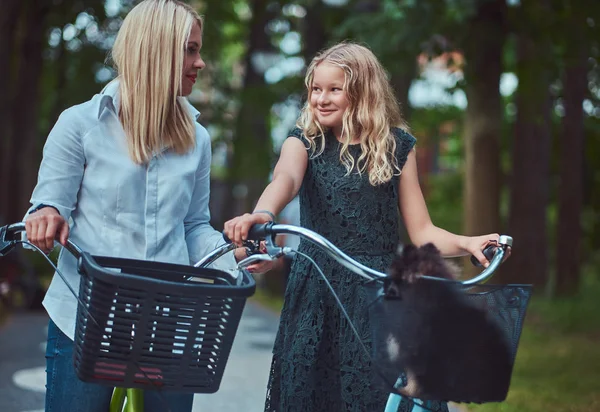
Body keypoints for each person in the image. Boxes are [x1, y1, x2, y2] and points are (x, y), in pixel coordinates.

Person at [224, 42, 506, 412]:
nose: (321, 99)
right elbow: (285, 180)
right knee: (311, 394)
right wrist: (262, 215)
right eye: (315, 89)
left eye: (334, 89)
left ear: (361, 92)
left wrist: (469, 242)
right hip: (317, 292)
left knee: (380, 396)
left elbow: (423, 232)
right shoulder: (304, 141)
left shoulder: (396, 147)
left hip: (379, 291)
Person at [23, 1, 258, 410]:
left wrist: (235, 254)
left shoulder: (198, 139)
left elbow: (193, 227)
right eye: (190, 49)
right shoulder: (80, 125)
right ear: (155, 49)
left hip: (168, 321)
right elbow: (48, 206)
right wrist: (44, 218)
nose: (200, 62)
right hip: (85, 316)